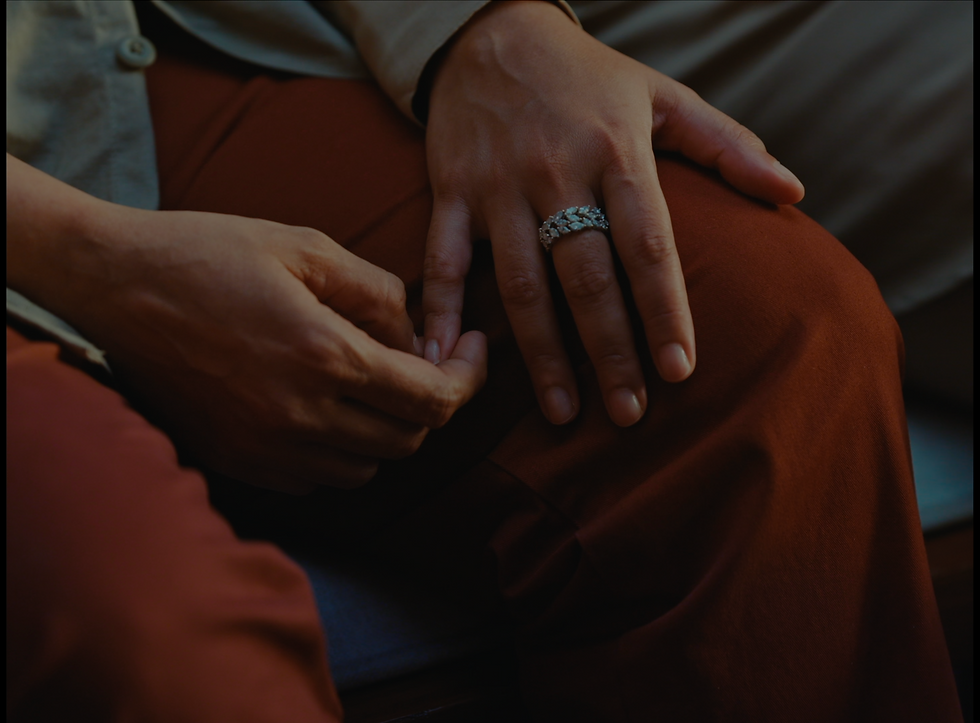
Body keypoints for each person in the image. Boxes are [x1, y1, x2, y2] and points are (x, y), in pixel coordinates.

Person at [6, 1, 968, 721]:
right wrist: (85, 258)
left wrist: (482, 25)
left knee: (757, 328)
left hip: (95, 51)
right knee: (147, 645)